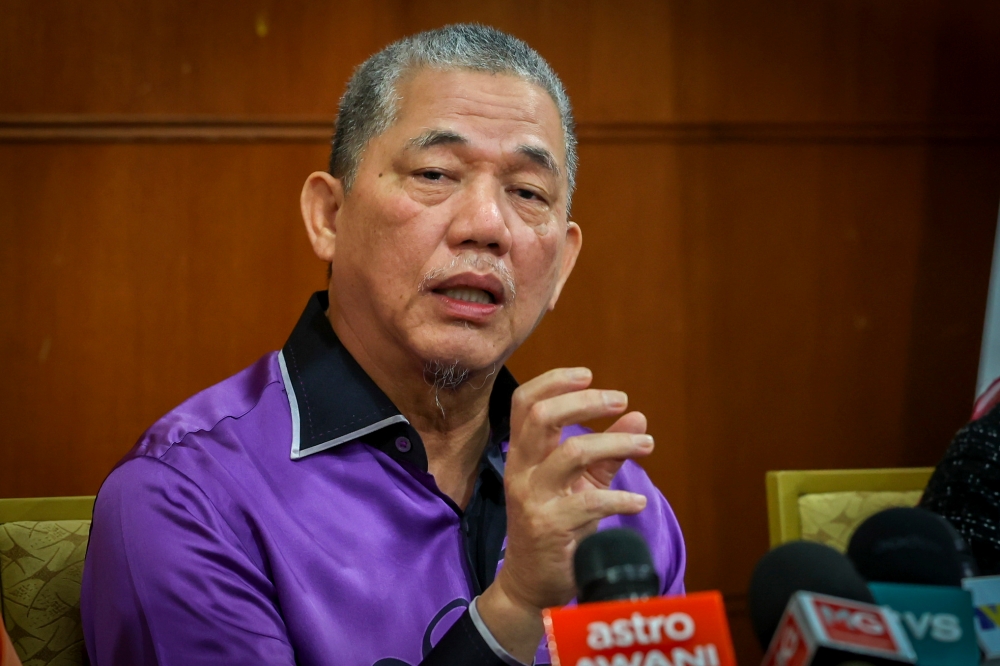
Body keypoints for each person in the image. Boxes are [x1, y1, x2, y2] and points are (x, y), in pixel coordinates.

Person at [80, 24, 685, 666]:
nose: (486, 226)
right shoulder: (188, 496)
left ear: (562, 264)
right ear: (329, 217)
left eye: (528, 193)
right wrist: (512, 611)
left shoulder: (612, 504)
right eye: (435, 173)